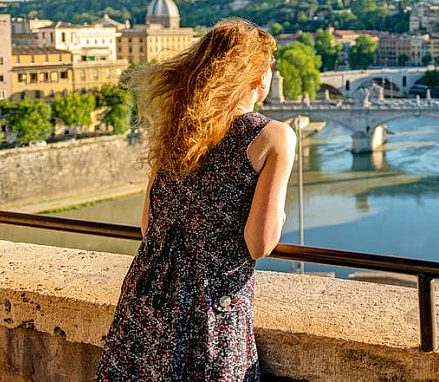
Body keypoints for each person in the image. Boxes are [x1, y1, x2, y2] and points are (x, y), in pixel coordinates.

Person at [95, 19, 297, 382]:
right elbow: (259, 244)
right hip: (209, 311)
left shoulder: (179, 128)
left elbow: (149, 226)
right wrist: (277, 215)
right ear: (259, 77)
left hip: (144, 301)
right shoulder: (273, 136)